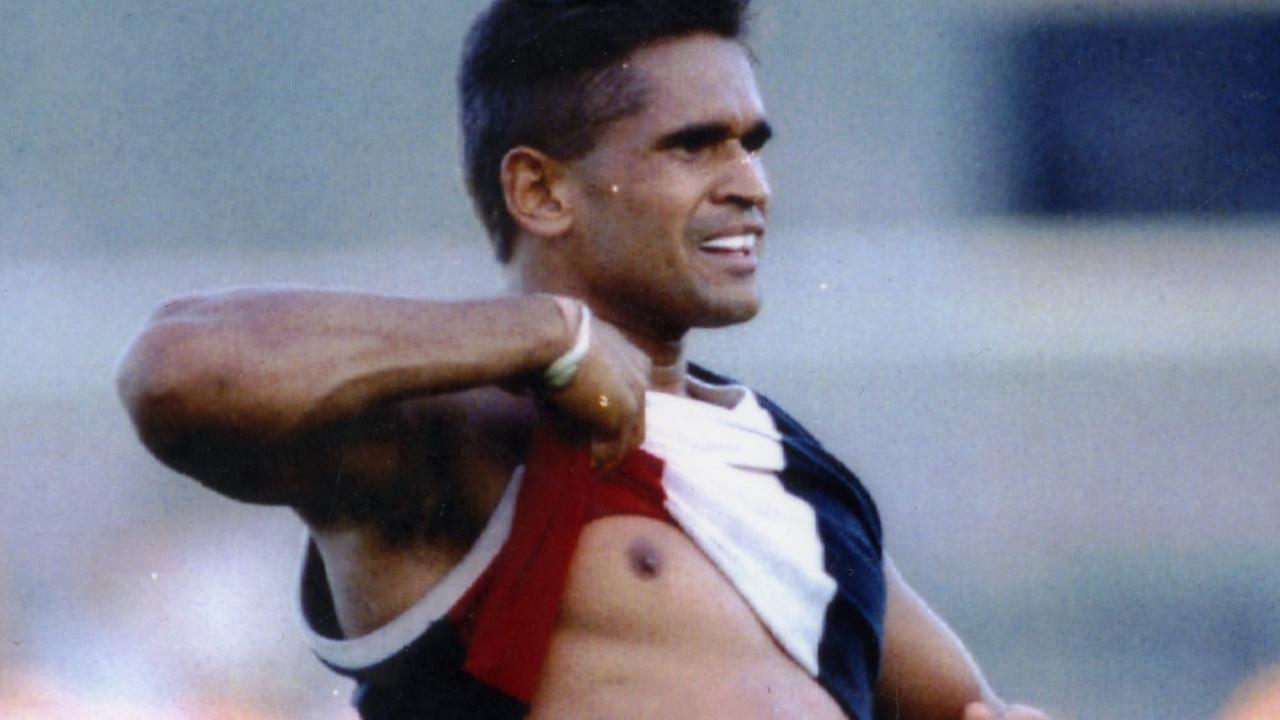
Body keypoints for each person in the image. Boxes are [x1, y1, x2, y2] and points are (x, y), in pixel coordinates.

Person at [117, 1, 1054, 718]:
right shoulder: (467, 441)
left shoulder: (791, 471)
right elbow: (176, 368)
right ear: (538, 189)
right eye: (695, 146)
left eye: (751, 145)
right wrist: (545, 336)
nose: (751, 185)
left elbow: (969, 710)